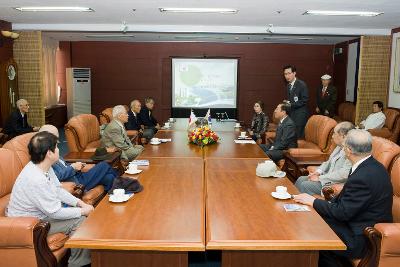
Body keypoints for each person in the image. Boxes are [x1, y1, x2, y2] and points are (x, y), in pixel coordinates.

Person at [294, 129, 393, 267]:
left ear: (348, 150)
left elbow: (342, 212)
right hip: (354, 224)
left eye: (344, 146)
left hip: (361, 238)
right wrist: (319, 204)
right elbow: (345, 203)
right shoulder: (371, 166)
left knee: (314, 229)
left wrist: (313, 201)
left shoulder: (364, 176)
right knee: (314, 219)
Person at [6, 131, 93, 267]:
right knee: (80, 221)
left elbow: (58, 190)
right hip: (28, 224)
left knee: (79, 215)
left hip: (41, 215)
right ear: (49, 153)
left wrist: (80, 203)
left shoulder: (43, 166)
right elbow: (54, 212)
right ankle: (78, 264)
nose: (59, 149)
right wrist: (83, 211)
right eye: (57, 147)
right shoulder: (35, 179)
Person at [39, 125, 117, 192]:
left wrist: (76, 166)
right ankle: (122, 182)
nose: (58, 140)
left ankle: (114, 194)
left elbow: (64, 165)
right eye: (55, 137)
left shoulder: (53, 149)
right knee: (103, 165)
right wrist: (73, 167)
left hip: (78, 175)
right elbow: (55, 177)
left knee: (109, 178)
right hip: (75, 182)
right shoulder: (44, 156)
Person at [295, 121, 354, 195]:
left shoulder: (351, 151)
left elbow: (344, 174)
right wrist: (318, 172)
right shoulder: (339, 146)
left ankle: (302, 204)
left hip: (335, 183)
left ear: (344, 136)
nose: (332, 136)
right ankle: (293, 200)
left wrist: (320, 178)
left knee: (305, 185)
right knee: (301, 179)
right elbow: (328, 162)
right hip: (326, 178)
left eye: (334, 133)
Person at [283, 65, 309, 138]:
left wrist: (291, 104)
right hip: (292, 115)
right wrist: (287, 102)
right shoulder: (288, 85)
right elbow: (291, 101)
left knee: (298, 138)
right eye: (285, 74)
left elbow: (304, 100)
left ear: (294, 73)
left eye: (289, 73)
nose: (287, 76)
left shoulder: (301, 84)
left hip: (300, 116)